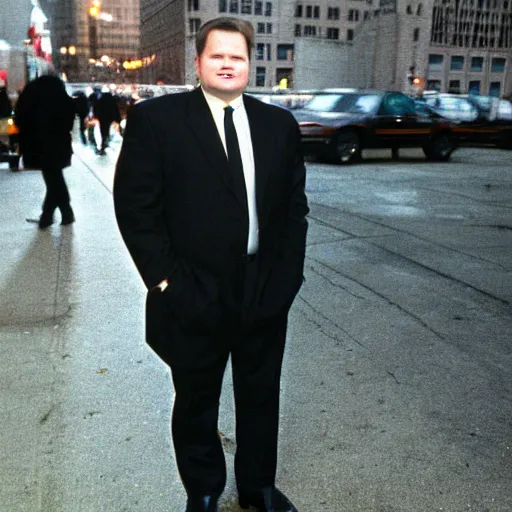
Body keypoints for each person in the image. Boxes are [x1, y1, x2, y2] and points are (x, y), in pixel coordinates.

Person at [113, 17, 308, 512]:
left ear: (249, 65)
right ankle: (203, 488)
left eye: (237, 56)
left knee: (261, 394)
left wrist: (285, 281)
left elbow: (293, 212)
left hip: (262, 288)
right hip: (189, 288)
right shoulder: (158, 120)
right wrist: (167, 282)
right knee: (196, 399)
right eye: (217, 55)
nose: (227, 64)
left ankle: (257, 487)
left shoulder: (277, 126)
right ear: (198, 62)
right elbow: (136, 211)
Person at [15, 74, 76, 229]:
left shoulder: (30, 99)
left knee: (53, 180)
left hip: (37, 145)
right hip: (59, 144)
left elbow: (19, 120)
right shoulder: (62, 100)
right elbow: (69, 121)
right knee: (54, 179)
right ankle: (59, 214)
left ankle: (51, 215)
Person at [89, 86, 121, 155]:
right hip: (109, 118)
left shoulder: (100, 100)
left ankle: (103, 144)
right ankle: (105, 142)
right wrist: (117, 119)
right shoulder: (112, 101)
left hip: (102, 118)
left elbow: (96, 108)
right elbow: (115, 110)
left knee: (103, 131)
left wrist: (96, 116)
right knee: (107, 130)